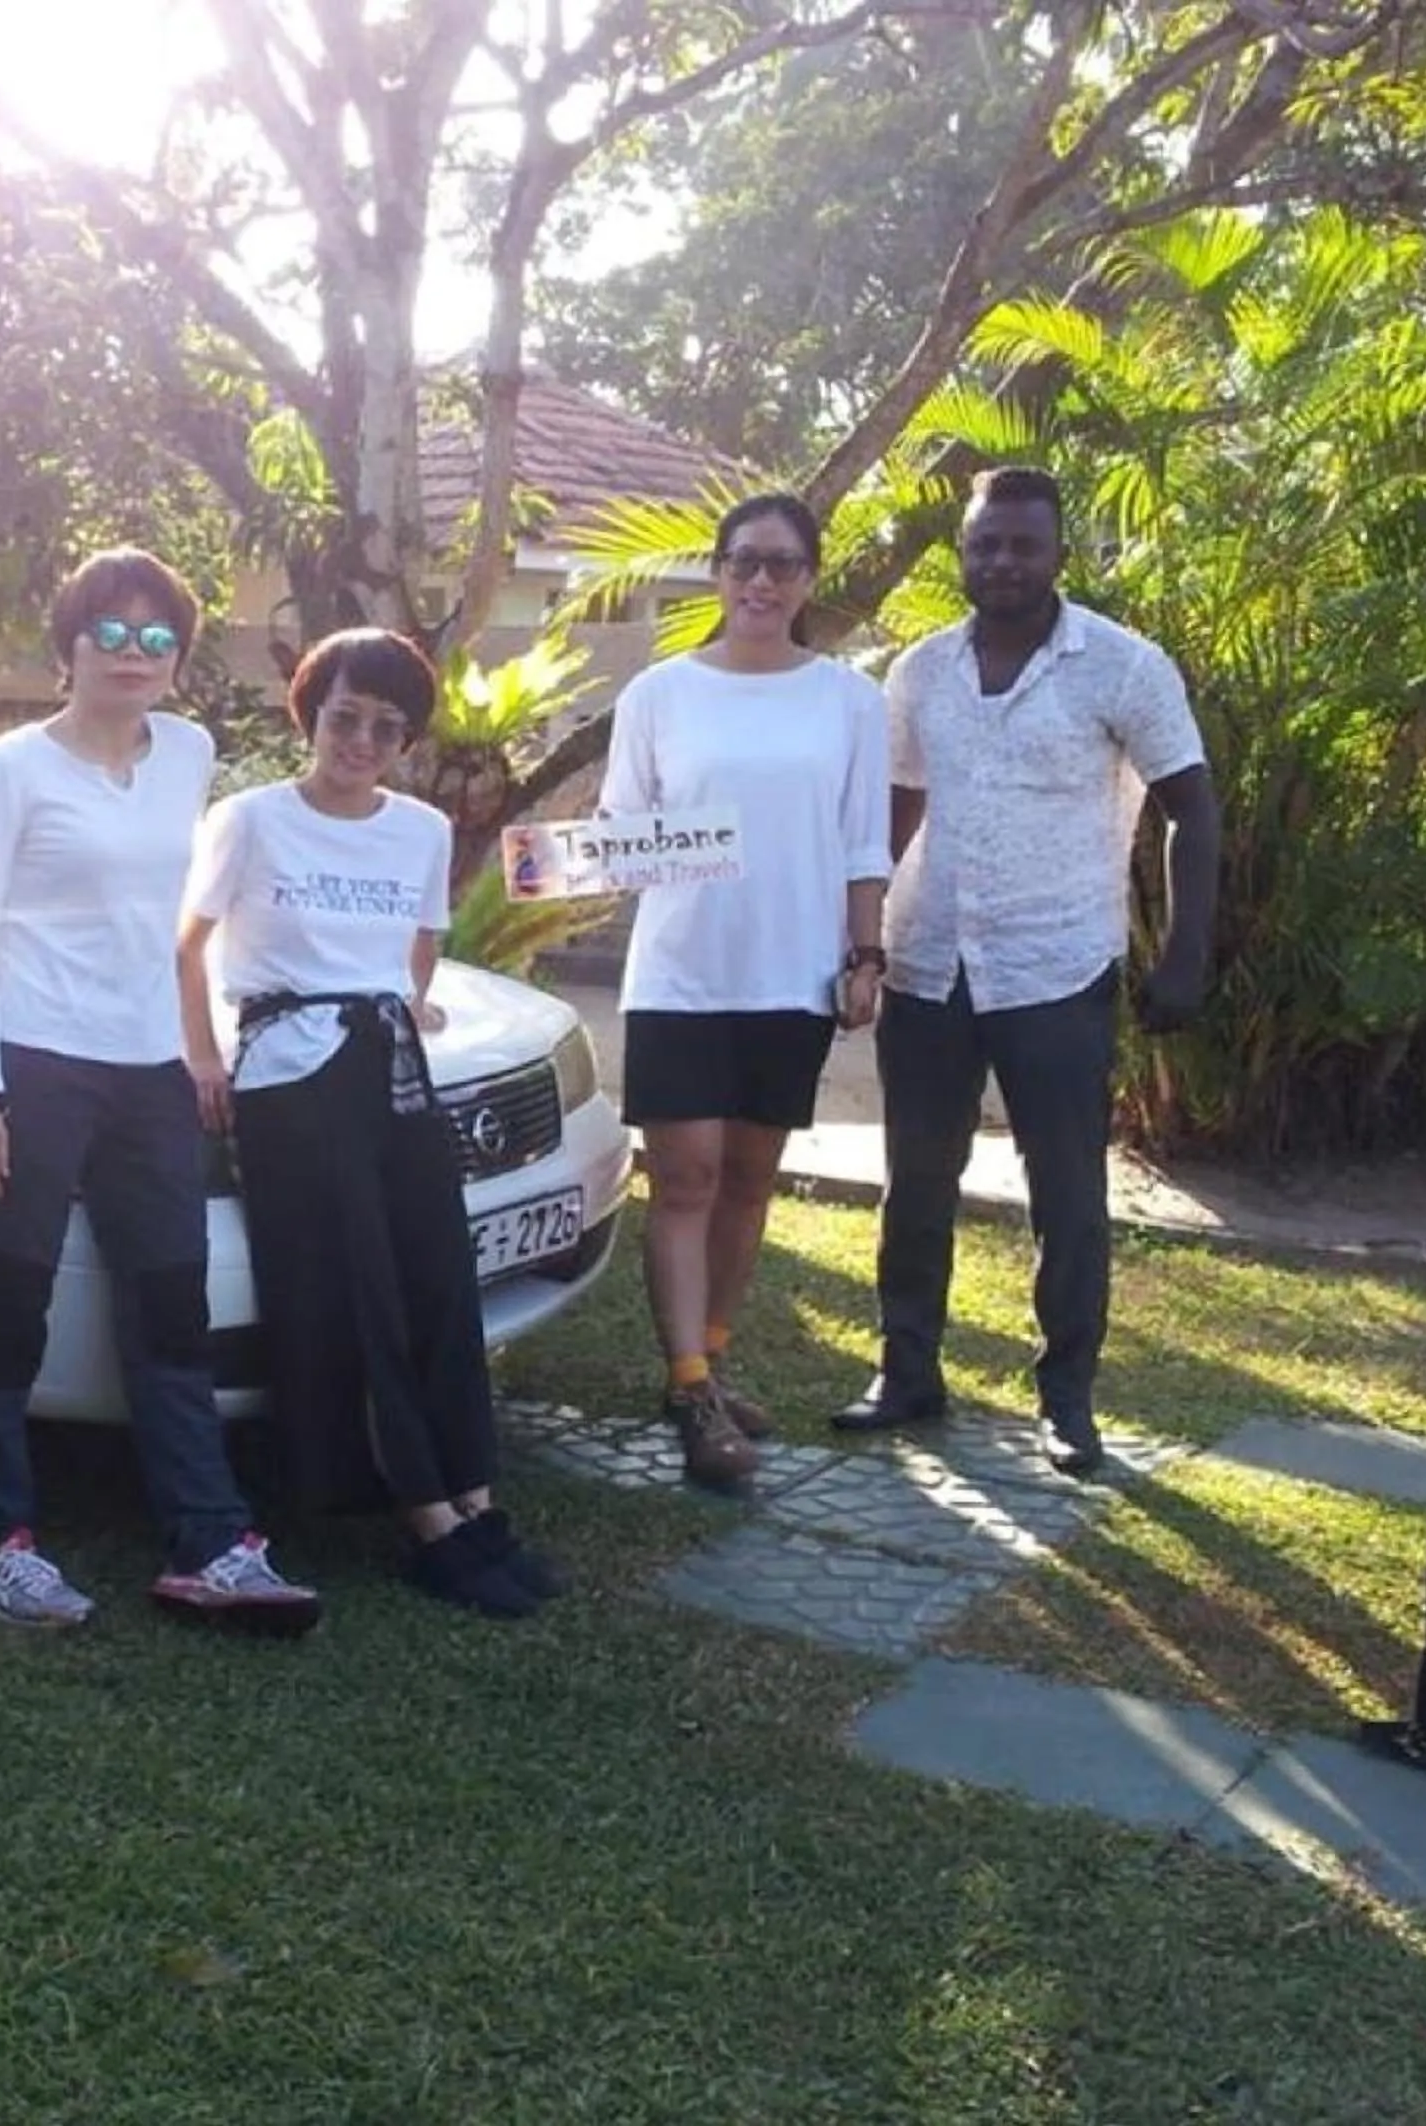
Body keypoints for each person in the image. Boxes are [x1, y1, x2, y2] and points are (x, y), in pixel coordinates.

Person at [0, 546, 324, 1634]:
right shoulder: (6, 770)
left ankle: (211, 1542)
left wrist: (198, 1046)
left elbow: (174, 917)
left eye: (158, 638)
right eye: (111, 632)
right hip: (34, 1065)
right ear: (68, 645)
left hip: (149, 1068)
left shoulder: (188, 751)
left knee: (170, 1310)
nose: (133, 653)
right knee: (7, 1308)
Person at [834, 466, 1219, 1476]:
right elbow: (898, 807)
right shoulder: (918, 670)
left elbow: (1193, 806)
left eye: (1022, 544)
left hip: (1058, 964)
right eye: (984, 543)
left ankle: (1067, 1400)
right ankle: (907, 1369)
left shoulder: (1124, 667)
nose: (1002, 561)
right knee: (916, 1178)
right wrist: (860, 932)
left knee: (1067, 1191)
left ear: (1057, 553)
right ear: (962, 550)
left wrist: (1183, 951)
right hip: (928, 963)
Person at [177, 628, 563, 1619]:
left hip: (390, 1066)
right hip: (290, 1075)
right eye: (344, 717)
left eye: (386, 727)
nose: (361, 741)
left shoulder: (422, 830)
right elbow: (188, 948)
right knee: (353, 1289)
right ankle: (427, 1518)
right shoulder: (250, 819)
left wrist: (407, 1001)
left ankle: (474, 1497)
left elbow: (419, 944)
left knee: (437, 1275)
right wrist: (204, 1057)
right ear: (310, 712)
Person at [600, 493, 893, 1489]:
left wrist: (865, 957)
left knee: (749, 1182)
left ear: (810, 579)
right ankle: (688, 1387)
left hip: (792, 976)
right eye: (743, 563)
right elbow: (617, 833)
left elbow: (864, 843)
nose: (761, 582)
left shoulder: (850, 700)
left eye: (782, 564)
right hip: (681, 973)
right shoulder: (658, 696)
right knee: (684, 1178)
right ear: (718, 574)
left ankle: (712, 1359)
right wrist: (609, 859)